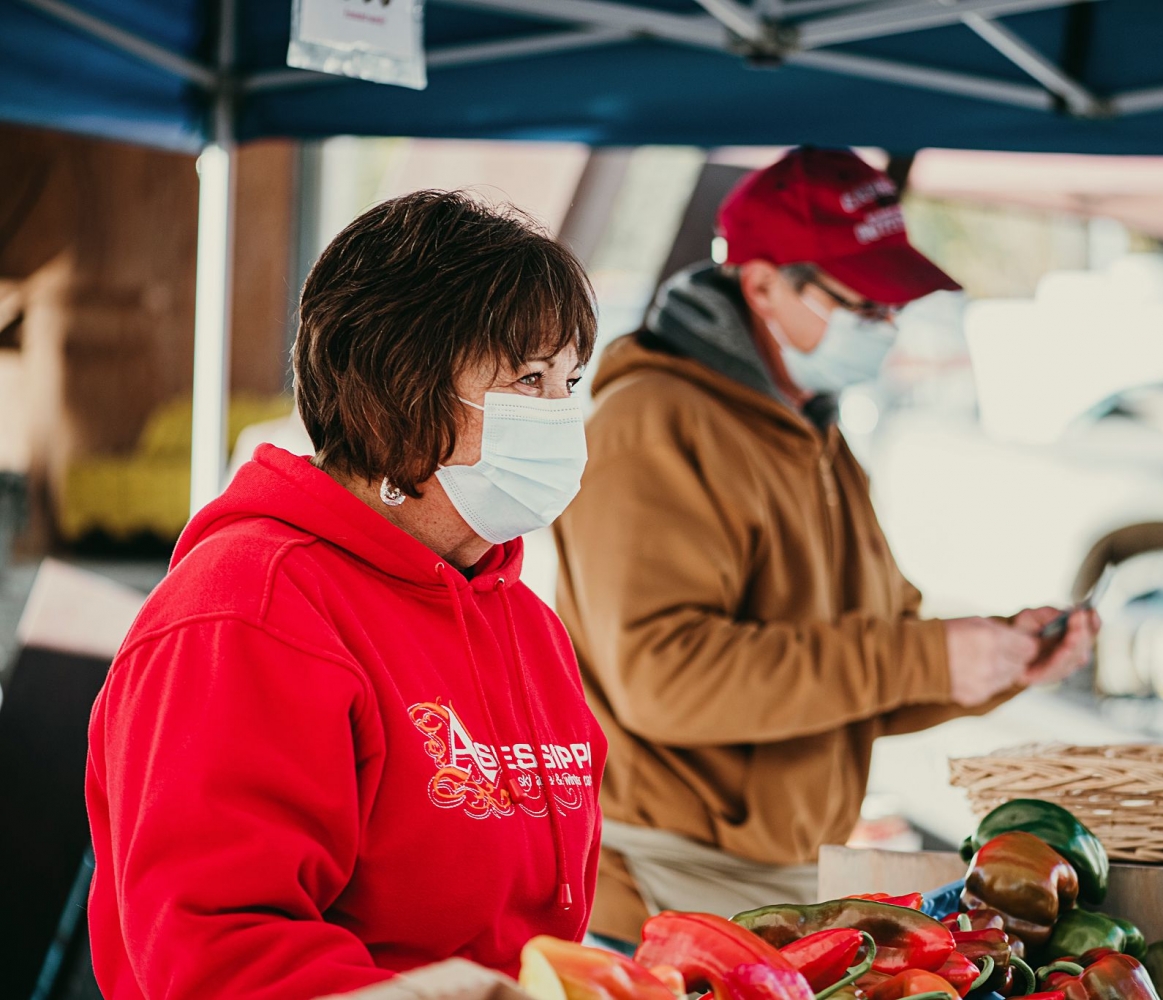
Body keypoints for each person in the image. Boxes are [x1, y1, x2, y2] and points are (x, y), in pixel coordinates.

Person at [552, 146, 1100, 946]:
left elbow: (860, 668)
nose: (885, 325)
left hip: (778, 874)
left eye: (893, 306)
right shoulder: (650, 426)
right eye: (864, 303)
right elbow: (663, 676)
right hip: (665, 889)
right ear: (763, 282)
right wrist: (924, 659)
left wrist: (990, 661)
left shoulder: (813, 431)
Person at [85, 191, 605, 999]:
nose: (561, 413)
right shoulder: (248, 612)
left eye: (569, 379)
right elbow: (218, 955)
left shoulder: (524, 619)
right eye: (528, 379)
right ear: (399, 388)